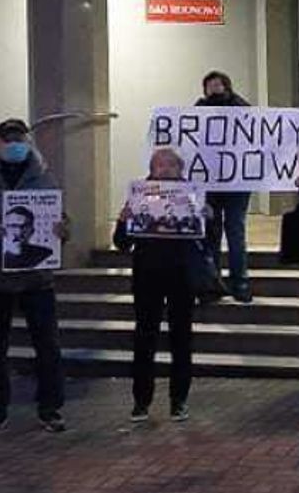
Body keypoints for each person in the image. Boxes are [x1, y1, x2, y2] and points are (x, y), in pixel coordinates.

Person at [0, 118, 70, 436]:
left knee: (47, 346)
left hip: (37, 277)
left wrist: (63, 229)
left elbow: (63, 220)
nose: (13, 144)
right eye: (7, 139)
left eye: (18, 138)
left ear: (28, 141)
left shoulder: (45, 177)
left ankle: (51, 409)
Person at [114, 148, 207, 423]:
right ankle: (141, 401)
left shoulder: (192, 197)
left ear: (179, 170)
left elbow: (206, 239)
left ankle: (179, 400)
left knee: (181, 338)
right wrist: (123, 220)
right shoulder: (140, 196)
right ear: (151, 170)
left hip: (182, 276)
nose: (164, 169)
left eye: (170, 165)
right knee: (145, 337)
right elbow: (122, 244)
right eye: (158, 165)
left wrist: (207, 217)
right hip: (147, 275)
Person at [195, 71, 253, 303]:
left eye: (218, 85)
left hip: (237, 182)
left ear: (227, 87)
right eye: (209, 86)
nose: (214, 89)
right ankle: (212, 283)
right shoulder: (198, 109)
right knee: (212, 233)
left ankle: (240, 282)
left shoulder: (241, 108)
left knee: (235, 232)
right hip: (210, 183)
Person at [2, 206, 55, 270]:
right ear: (4, 230)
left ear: (32, 230)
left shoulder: (45, 254)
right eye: (13, 226)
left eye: (25, 226)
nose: (19, 232)